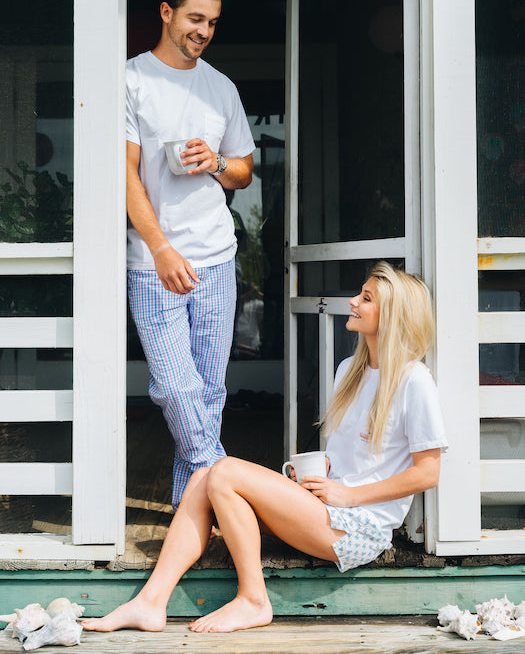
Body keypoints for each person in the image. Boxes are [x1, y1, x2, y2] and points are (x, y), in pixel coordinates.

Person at [83, 261, 448, 635]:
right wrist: (319, 471)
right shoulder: (349, 371)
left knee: (223, 471)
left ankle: (254, 600)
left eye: (366, 298)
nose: (353, 301)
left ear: (391, 315)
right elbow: (353, 454)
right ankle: (149, 603)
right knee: (203, 476)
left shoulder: (413, 380)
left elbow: (428, 472)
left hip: (358, 529)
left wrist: (350, 495)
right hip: (325, 510)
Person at [126, 0, 255, 509]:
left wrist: (217, 161)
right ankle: (226, 485)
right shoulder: (131, 81)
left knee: (208, 392)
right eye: (195, 18)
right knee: (177, 389)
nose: (203, 31)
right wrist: (159, 247)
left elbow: (244, 170)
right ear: (166, 13)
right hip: (154, 260)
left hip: (217, 259)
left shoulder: (220, 87)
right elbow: (124, 175)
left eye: (212, 23)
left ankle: (191, 510)